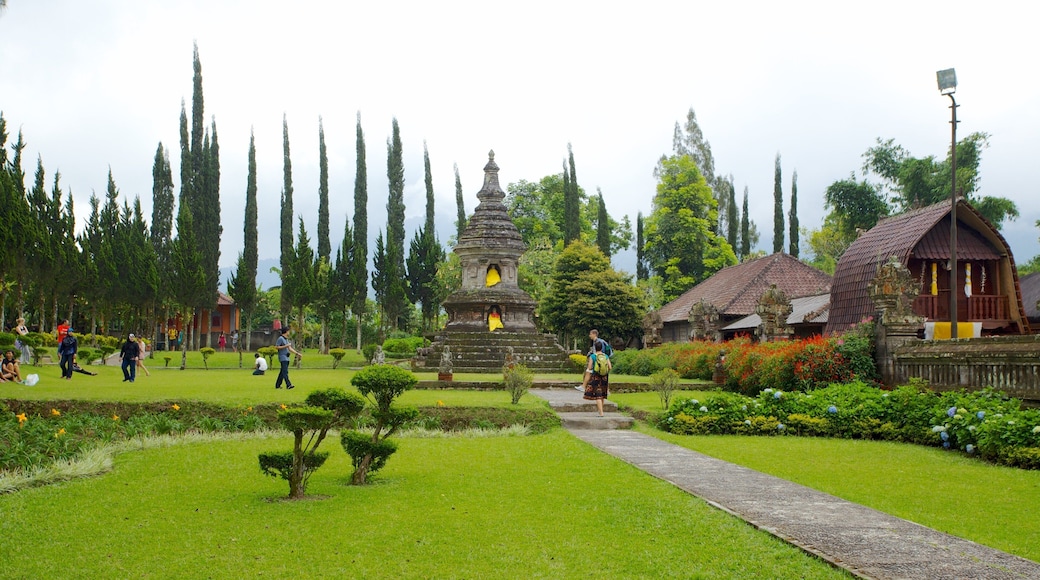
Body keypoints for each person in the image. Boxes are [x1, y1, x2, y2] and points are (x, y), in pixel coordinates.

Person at [580, 340, 612, 416]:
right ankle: (601, 410)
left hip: (596, 376)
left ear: (595, 348)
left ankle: (601, 413)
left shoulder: (593, 356)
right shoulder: (605, 356)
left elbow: (589, 367)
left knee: (598, 395)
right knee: (603, 395)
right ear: (602, 348)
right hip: (605, 377)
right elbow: (610, 367)